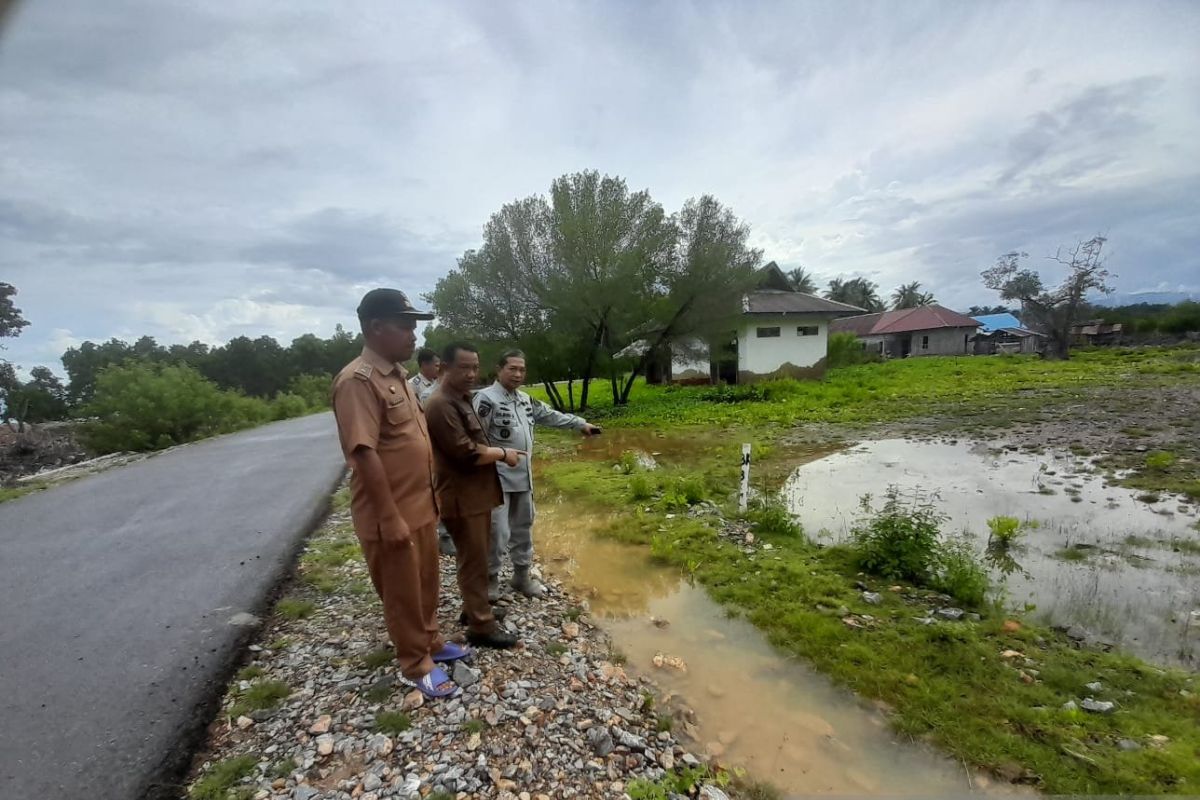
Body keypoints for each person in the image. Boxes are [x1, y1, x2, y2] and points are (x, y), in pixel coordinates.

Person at [329, 288, 469, 699]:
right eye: (405, 326)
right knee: (401, 591)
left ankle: (431, 641)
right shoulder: (357, 381)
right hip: (389, 513)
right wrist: (389, 517)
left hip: (419, 505)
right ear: (376, 327)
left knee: (426, 582)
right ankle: (415, 662)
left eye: (414, 327)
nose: (414, 336)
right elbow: (363, 452)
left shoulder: (397, 376)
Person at [474, 349, 601, 600]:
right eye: (512, 368)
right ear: (499, 369)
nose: (518, 374)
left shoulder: (524, 400)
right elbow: (474, 440)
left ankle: (521, 576)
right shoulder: (485, 399)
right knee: (496, 533)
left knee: (523, 528)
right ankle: (489, 581)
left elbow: (550, 416)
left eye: (522, 369)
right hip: (495, 480)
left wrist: (580, 424)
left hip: (523, 477)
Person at [423, 342, 523, 648]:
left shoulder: (462, 398)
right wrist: (503, 453)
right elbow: (465, 452)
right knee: (472, 560)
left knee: (476, 557)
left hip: (476, 494)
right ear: (444, 369)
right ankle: (481, 626)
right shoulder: (440, 404)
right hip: (461, 496)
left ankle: (474, 609)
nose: (471, 374)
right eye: (463, 367)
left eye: (475, 367)